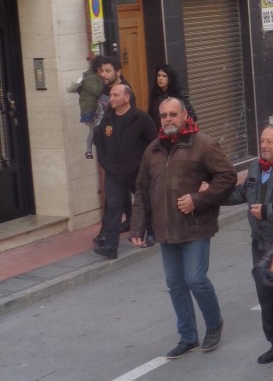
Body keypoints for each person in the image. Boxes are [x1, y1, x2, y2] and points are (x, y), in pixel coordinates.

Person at [130, 98, 237, 358]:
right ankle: (188, 337)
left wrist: (198, 200)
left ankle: (214, 324)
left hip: (195, 226)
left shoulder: (204, 144)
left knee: (195, 280)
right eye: (163, 115)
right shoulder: (152, 150)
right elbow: (142, 190)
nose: (168, 119)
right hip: (166, 229)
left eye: (173, 114)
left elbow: (227, 177)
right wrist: (137, 228)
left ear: (184, 115)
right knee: (175, 284)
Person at [223, 123, 273, 363]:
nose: (263, 145)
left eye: (269, 141)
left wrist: (267, 212)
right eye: (262, 140)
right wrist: (211, 194)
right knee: (267, 297)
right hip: (260, 245)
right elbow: (241, 193)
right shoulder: (255, 167)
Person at [92, 83, 157, 259]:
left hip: (137, 172)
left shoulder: (141, 118)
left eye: (115, 95)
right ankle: (110, 246)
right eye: (111, 95)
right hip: (114, 174)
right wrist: (105, 164)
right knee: (113, 207)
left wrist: (144, 165)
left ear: (126, 98)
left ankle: (152, 232)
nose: (111, 99)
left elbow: (154, 144)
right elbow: (100, 144)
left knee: (145, 202)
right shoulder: (107, 120)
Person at [67, 54, 104, 158]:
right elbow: (97, 91)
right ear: (98, 69)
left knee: (93, 131)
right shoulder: (90, 79)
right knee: (93, 131)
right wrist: (102, 81)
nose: (104, 73)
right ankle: (89, 150)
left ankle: (89, 150)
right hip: (90, 110)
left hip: (91, 109)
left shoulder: (88, 77)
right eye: (103, 70)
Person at [148, 63, 197, 131]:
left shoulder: (179, 94)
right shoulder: (155, 94)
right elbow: (151, 115)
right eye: (158, 75)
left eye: (164, 76)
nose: (160, 78)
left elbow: (192, 116)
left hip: (175, 132)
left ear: (170, 79)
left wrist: (179, 128)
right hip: (159, 133)